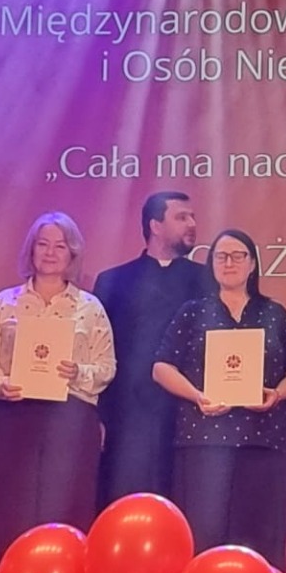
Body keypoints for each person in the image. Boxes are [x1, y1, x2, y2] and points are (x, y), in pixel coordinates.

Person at [153, 228, 286, 567]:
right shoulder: (193, 312)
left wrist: (277, 394)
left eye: (238, 256)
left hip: (261, 443)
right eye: (221, 256)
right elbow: (161, 368)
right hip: (203, 442)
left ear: (253, 264)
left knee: (258, 542)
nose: (229, 262)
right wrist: (197, 395)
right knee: (205, 539)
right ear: (211, 264)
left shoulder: (275, 314)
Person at [0, 211, 116, 553]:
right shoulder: (3, 303)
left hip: (71, 422)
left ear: (72, 253)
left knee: (65, 509)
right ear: (31, 250)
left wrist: (78, 372)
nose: (50, 252)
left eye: (60, 246)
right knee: (9, 508)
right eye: (43, 244)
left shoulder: (90, 308)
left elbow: (107, 366)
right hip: (13, 417)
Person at [94, 191, 213, 503]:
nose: (192, 224)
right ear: (155, 226)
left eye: (193, 217)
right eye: (181, 217)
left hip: (189, 415)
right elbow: (99, 351)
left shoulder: (207, 280)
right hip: (127, 418)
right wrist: (99, 416)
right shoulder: (113, 281)